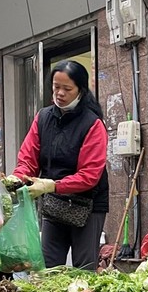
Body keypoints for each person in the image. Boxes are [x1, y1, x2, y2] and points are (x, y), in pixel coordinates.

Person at [11, 60, 109, 269]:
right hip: (54, 205)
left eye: (67, 89)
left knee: (84, 269)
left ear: (80, 90)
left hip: (88, 205)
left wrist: (52, 185)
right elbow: (28, 159)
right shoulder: (43, 117)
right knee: (48, 268)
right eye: (56, 87)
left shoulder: (92, 124)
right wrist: (16, 179)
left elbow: (90, 175)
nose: (59, 93)